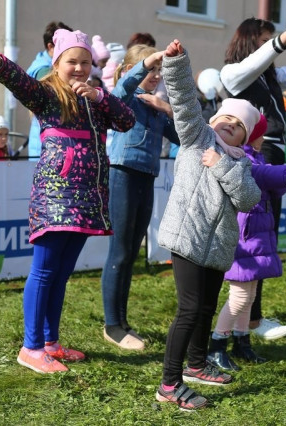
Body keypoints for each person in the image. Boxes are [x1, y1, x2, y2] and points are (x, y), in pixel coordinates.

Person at [0, 29, 135, 374]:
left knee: (61, 274)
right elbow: (21, 83)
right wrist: (0, 64)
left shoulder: (95, 98)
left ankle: (50, 343)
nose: (79, 68)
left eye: (85, 62)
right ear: (57, 63)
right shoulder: (47, 94)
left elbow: (127, 120)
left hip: (87, 197)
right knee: (45, 271)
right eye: (72, 61)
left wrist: (100, 96)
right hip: (55, 195)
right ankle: (31, 347)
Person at [155, 39, 261, 411]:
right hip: (187, 237)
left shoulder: (242, 164)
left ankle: (198, 364)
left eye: (239, 125)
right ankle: (169, 384)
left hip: (217, 247)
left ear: (246, 137)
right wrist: (176, 63)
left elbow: (248, 198)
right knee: (189, 309)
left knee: (205, 307)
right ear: (213, 121)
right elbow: (184, 101)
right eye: (225, 118)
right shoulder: (196, 138)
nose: (230, 124)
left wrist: (221, 165)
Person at [220, 14, 286, 340]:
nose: (270, 47)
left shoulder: (267, 76)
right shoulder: (232, 73)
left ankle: (249, 318)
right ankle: (248, 319)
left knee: (264, 236)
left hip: (271, 153)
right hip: (255, 156)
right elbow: (260, 60)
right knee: (255, 237)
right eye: (264, 40)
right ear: (249, 41)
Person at [207, 115, 286, 371]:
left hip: (256, 232)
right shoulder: (244, 159)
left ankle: (242, 342)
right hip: (245, 234)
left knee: (249, 295)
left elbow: (269, 183)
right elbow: (260, 174)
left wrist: (283, 180)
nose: (264, 138)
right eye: (261, 133)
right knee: (240, 295)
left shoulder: (256, 156)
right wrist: (285, 174)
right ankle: (217, 344)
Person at [101, 44, 179, 351]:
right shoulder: (124, 99)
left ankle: (122, 321)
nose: (156, 75)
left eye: (160, 71)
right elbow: (123, 87)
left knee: (132, 252)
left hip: (147, 177)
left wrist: (168, 109)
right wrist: (144, 65)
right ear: (130, 70)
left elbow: (184, 135)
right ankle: (112, 325)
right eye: (151, 69)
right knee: (119, 251)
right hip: (122, 174)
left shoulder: (156, 105)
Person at [26, 21, 73, 160]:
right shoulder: (43, 71)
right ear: (50, 47)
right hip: (46, 147)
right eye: (65, 45)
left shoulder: (49, 64)